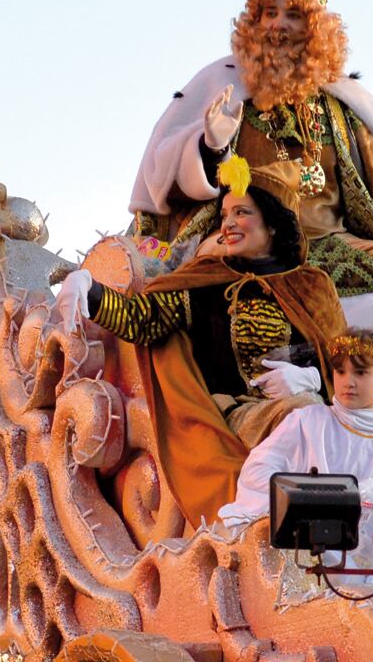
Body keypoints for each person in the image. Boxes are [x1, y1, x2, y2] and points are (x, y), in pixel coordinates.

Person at [54, 159, 346, 528]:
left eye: (242, 212)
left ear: (272, 222)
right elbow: (143, 320)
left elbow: (348, 360)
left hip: (321, 409)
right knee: (303, 417)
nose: (228, 224)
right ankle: (311, 540)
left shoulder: (313, 286)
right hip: (242, 415)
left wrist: (315, 380)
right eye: (224, 214)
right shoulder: (206, 284)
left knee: (338, 424)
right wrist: (90, 290)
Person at [130, 0, 373, 296]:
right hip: (247, 243)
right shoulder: (224, 88)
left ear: (316, 32)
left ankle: (354, 347)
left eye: (293, 15)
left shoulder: (343, 109)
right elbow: (164, 186)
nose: (278, 25)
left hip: (336, 248)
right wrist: (210, 148)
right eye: (270, 14)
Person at [217, 328, 373, 568]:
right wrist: (311, 500)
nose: (348, 382)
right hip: (306, 554)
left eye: (360, 372)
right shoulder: (307, 421)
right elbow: (257, 470)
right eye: (340, 371)